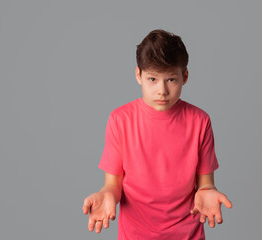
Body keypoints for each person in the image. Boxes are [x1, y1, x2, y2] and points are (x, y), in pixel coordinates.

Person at [82, 29, 232, 239]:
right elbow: (112, 183)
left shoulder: (200, 121)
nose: (162, 90)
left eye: (171, 79)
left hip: (187, 233)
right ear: (138, 75)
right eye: (152, 79)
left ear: (185, 76)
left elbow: (205, 182)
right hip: (135, 234)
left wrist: (207, 192)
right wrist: (106, 194)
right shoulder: (120, 120)